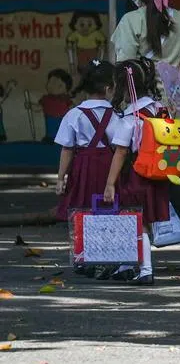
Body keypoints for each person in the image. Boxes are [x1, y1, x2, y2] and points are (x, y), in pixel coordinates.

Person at [103, 58, 175, 285]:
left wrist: (110, 183)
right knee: (136, 220)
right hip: (159, 172)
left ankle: (145, 270)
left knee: (137, 221)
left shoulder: (130, 117)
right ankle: (127, 264)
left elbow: (121, 152)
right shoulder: (158, 108)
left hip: (136, 173)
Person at [53, 60, 118, 273]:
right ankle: (109, 255)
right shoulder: (116, 115)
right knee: (109, 209)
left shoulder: (74, 114)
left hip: (83, 168)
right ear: (109, 88)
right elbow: (122, 146)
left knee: (82, 210)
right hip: (109, 168)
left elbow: (67, 149)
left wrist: (61, 177)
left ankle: (83, 257)